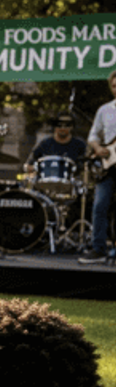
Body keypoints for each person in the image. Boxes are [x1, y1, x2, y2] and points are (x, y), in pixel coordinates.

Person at [83, 69, 116, 264]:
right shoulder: (104, 110)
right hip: (108, 165)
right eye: (114, 86)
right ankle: (98, 249)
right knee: (99, 206)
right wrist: (98, 148)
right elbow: (93, 135)